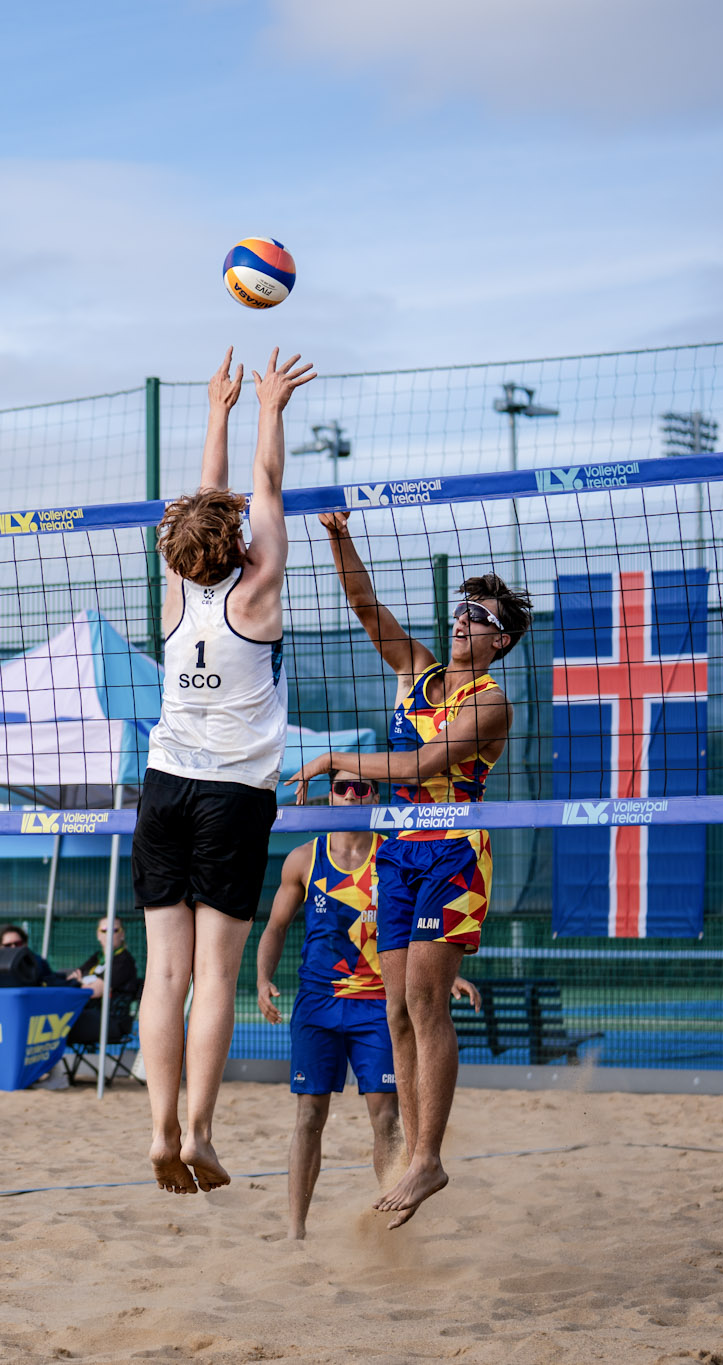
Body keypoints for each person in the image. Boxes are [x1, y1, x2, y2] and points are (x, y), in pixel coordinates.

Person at [288, 511, 531, 1227]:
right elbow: (364, 606)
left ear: (500, 640)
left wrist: (337, 757)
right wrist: (338, 536)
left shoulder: (491, 703)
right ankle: (411, 1156)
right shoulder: (415, 670)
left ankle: (429, 1155)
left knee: (426, 1003)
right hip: (397, 851)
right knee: (395, 1011)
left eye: (478, 615)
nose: (462, 620)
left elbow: (423, 764)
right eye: (460, 609)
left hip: (453, 849)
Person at [134, 345, 315, 1195]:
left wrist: (218, 409)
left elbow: (209, 507)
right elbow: (266, 487)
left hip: (164, 786)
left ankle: (157, 1126)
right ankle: (198, 1130)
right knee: (216, 977)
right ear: (235, 538)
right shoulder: (260, 588)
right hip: (234, 798)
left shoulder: (173, 591)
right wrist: (269, 408)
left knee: (164, 974)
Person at [254, 777, 479, 1238]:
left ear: (375, 795)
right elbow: (276, 925)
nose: (354, 797)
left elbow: (424, 931)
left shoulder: (394, 853)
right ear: (330, 795)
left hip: (378, 1003)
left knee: (386, 1116)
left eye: (364, 788)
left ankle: (391, 1218)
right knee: (309, 1117)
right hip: (318, 1001)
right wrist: (260, 977)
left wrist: (443, 975)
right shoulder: (305, 858)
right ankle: (296, 1231)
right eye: (344, 788)